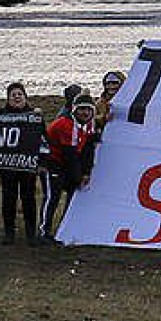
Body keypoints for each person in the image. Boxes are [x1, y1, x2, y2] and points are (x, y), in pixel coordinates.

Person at [42, 94, 100, 240]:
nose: (85, 113)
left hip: (67, 160)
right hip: (52, 161)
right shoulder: (65, 124)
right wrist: (78, 178)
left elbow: (87, 150)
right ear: (74, 110)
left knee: (72, 196)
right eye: (82, 109)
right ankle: (44, 231)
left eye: (89, 109)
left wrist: (86, 172)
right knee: (53, 196)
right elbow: (70, 155)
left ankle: (64, 230)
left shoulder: (90, 124)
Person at [0, 82, 41, 245]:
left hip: (27, 164)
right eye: (13, 95)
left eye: (20, 94)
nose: (17, 97)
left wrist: (40, 162)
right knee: (8, 198)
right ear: (8, 98)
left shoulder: (34, 115)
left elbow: (41, 138)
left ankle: (31, 233)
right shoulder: (1, 115)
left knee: (28, 197)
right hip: (7, 164)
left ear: (25, 97)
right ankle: (9, 232)